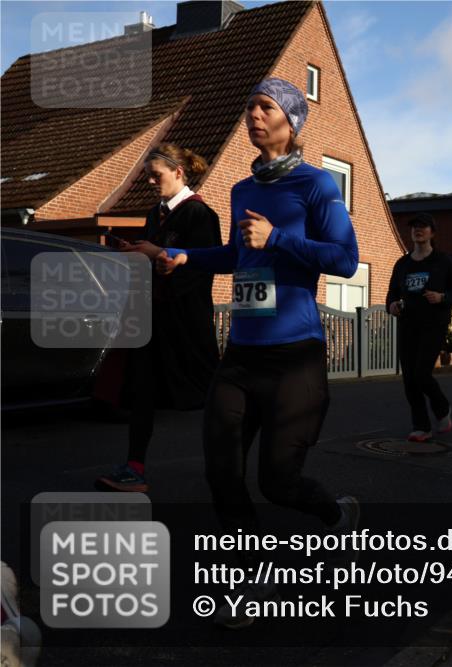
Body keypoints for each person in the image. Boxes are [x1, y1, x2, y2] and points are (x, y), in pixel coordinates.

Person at [157, 78, 360, 628]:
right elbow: (234, 256)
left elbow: (344, 259)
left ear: (291, 121)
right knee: (222, 472)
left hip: (295, 357)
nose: (253, 113)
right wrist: (181, 257)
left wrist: (278, 239)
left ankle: (333, 511)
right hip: (241, 356)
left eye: (265, 106)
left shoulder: (318, 186)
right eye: (249, 105)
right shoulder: (243, 188)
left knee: (277, 481)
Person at [95, 144, 222, 493]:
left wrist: (162, 261)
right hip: (153, 320)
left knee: (209, 395)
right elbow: (151, 258)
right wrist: (133, 253)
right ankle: (135, 467)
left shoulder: (200, 215)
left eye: (156, 174)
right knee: (142, 391)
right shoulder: (156, 214)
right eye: (148, 175)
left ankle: (231, 463)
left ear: (178, 172)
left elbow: (205, 266)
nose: (151, 180)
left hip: (186, 322)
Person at [387, 213, 452, 441]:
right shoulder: (402, 263)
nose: (417, 230)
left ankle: (442, 408)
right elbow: (392, 291)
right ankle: (421, 426)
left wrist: (442, 297)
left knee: (421, 374)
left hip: (433, 324)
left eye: (423, 227)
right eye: (414, 227)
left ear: (432, 232)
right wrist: (391, 304)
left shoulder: (442, 261)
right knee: (409, 378)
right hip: (408, 324)